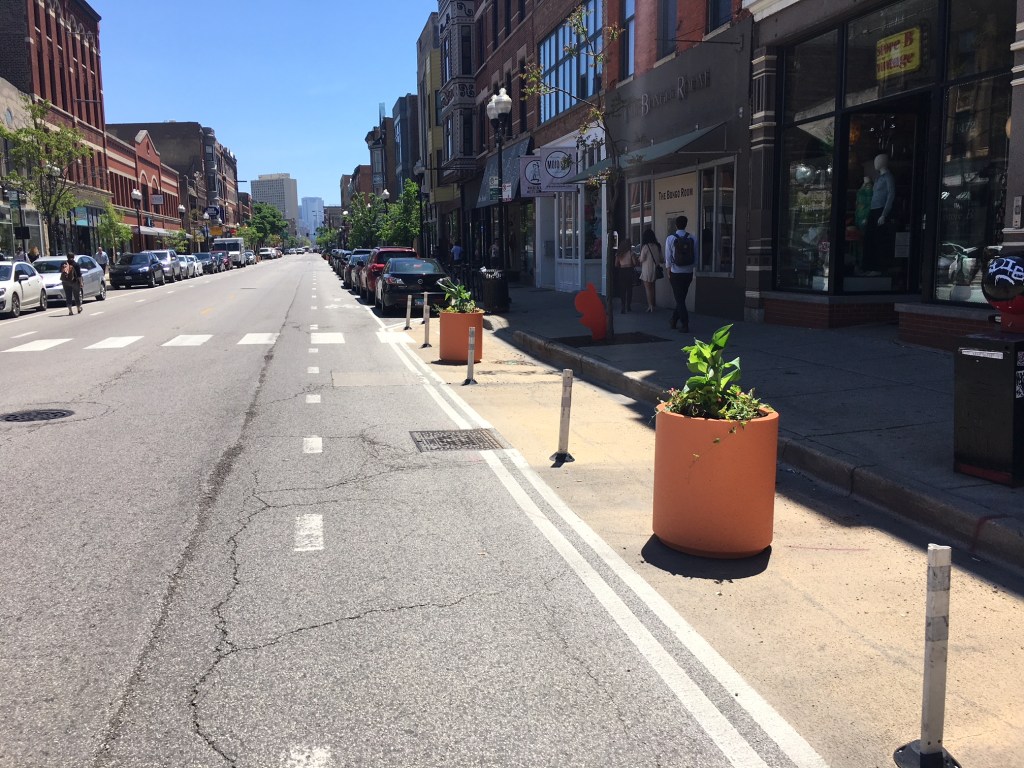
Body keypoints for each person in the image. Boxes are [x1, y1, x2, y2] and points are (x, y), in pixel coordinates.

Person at [664, 215, 697, 333]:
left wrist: (668, 271)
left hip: (676, 272)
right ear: (686, 224)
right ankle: (673, 320)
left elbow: (668, 257)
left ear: (676, 225)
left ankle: (685, 323)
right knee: (681, 298)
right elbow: (695, 256)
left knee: (679, 299)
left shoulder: (670, 239)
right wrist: (692, 269)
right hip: (688, 273)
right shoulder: (693, 238)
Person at [638, 228, 661, 312]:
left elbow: (642, 259)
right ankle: (653, 304)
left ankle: (650, 306)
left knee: (648, 289)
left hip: (647, 270)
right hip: (655, 270)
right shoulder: (657, 246)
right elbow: (661, 258)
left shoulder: (645, 247)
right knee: (652, 288)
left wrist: (639, 258)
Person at [613, 238, 636, 313]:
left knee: (622, 290)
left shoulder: (619, 253)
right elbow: (634, 263)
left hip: (622, 271)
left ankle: (623, 306)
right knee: (629, 289)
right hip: (629, 270)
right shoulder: (630, 252)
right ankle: (628, 306)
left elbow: (616, 264)